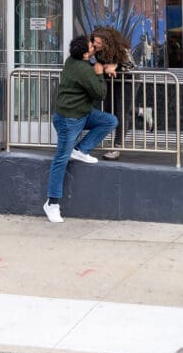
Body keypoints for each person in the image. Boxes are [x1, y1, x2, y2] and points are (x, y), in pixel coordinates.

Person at [43, 34, 118, 223]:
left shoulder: (72, 60)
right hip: (69, 119)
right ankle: (52, 204)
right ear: (85, 54)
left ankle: (80, 149)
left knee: (109, 121)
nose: (94, 46)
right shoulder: (84, 70)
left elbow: (95, 61)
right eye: (91, 46)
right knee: (61, 159)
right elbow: (100, 94)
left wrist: (107, 66)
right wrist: (100, 74)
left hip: (81, 113)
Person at [91, 26, 135, 159]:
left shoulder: (121, 49)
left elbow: (131, 65)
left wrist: (115, 65)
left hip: (127, 81)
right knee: (110, 109)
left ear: (107, 42)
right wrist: (105, 67)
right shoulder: (97, 50)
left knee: (121, 112)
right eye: (94, 42)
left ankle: (117, 147)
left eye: (98, 43)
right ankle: (141, 112)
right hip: (112, 81)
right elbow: (97, 63)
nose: (96, 45)